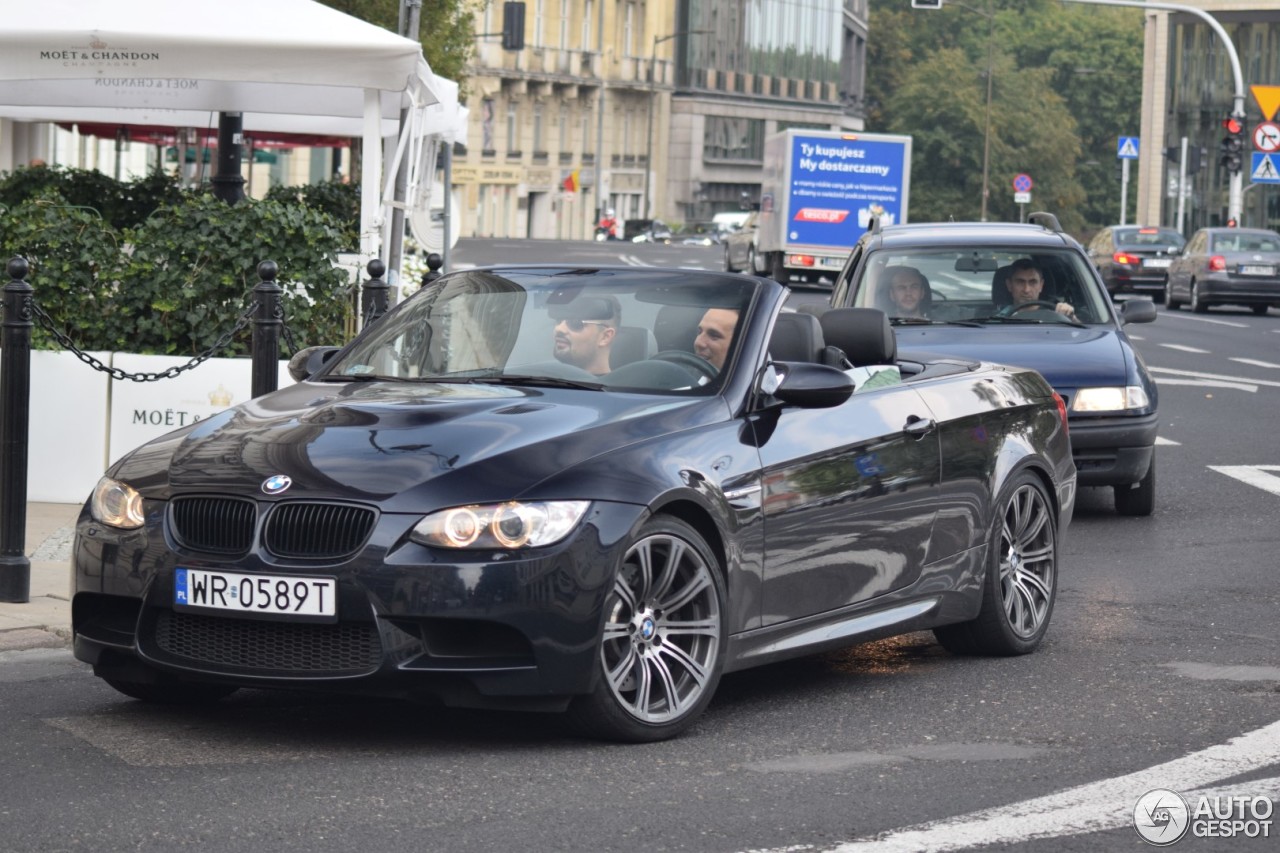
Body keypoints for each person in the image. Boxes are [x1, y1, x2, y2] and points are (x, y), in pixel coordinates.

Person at [551, 295, 621, 376]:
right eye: (559, 320)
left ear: (605, 337)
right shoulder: (539, 380)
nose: (559, 328)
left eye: (575, 322)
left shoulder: (620, 387)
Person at [1000, 258, 1075, 318]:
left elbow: (1079, 332)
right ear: (1009, 285)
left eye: (1033, 282)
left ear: (1041, 285)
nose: (1026, 290)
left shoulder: (1056, 316)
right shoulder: (996, 319)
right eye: (1020, 282)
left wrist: (1071, 317)